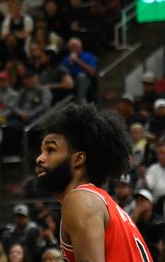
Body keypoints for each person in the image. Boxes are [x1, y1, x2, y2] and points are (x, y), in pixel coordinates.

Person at [35, 102, 153, 261]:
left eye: (50, 150)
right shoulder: (103, 203)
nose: (39, 159)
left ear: (78, 159)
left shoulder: (80, 199)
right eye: (41, 151)